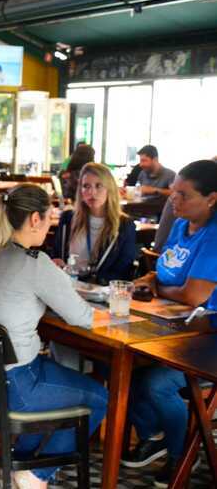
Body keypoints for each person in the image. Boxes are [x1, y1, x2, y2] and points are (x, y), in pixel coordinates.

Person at [0, 184, 107, 489]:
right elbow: (82, 318)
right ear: (35, 219)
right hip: (13, 388)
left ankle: (20, 462)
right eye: (50, 216)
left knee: (54, 382)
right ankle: (35, 475)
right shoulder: (34, 264)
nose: (51, 222)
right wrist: (116, 312)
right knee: (100, 397)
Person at [124, 160, 217, 487]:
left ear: (211, 199)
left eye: (183, 194)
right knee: (120, 371)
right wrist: (151, 278)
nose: (173, 200)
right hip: (170, 330)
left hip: (207, 339)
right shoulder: (181, 226)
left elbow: (195, 295)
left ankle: (181, 455)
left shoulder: (214, 235)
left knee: (156, 385)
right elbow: (163, 273)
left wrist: (158, 287)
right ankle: (156, 434)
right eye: (173, 192)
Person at [53, 163, 137, 283]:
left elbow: (123, 269)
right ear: (80, 190)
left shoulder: (124, 225)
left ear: (110, 189)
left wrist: (96, 281)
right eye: (86, 186)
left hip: (100, 291)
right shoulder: (68, 218)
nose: (92, 192)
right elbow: (56, 254)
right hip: (66, 286)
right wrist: (56, 261)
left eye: (98, 186)